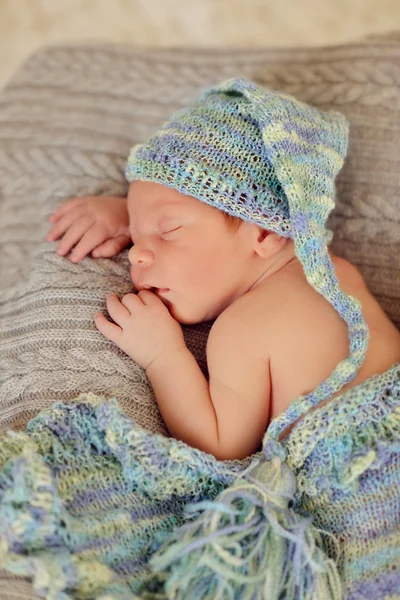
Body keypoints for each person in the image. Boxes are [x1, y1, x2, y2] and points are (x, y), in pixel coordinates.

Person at [46, 78, 400, 463]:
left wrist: (162, 355)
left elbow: (218, 446)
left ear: (264, 231)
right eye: (134, 236)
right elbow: (211, 210)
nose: (136, 255)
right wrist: (140, 221)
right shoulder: (338, 271)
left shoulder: (243, 329)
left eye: (168, 230)